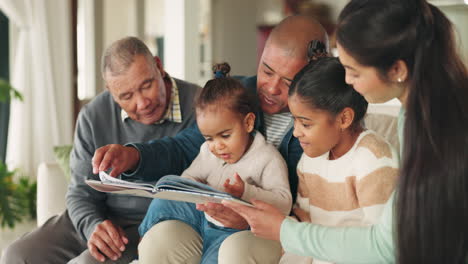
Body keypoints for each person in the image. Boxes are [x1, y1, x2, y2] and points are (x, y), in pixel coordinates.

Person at [223, 0, 468, 263]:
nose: (347, 81)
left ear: (397, 70)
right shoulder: (414, 113)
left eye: (353, 71)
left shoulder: (436, 129)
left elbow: (390, 247)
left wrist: (285, 230)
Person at [92, 15, 328, 263]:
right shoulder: (234, 95)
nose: (270, 88)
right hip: (211, 215)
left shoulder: (320, 124)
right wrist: (134, 156)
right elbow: (184, 148)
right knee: (165, 207)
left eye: (288, 82)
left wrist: (247, 215)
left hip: (267, 228)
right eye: (267, 71)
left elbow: (302, 204)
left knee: (231, 250)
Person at [0, 36, 201, 264]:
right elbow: (80, 193)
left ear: (159, 66)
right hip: (101, 217)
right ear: (111, 91)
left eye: (147, 85)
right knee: (17, 255)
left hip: (157, 224)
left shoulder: (201, 105)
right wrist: (92, 226)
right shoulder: (93, 115)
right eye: (126, 96)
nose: (142, 102)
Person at [138, 63, 292, 264]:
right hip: (202, 217)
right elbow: (189, 177)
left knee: (217, 257)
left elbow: (284, 203)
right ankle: (141, 240)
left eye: (225, 136)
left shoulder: (267, 158)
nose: (217, 146)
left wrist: (246, 192)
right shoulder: (208, 152)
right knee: (169, 182)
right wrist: (196, 190)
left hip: (231, 231)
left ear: (248, 123)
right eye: (209, 138)